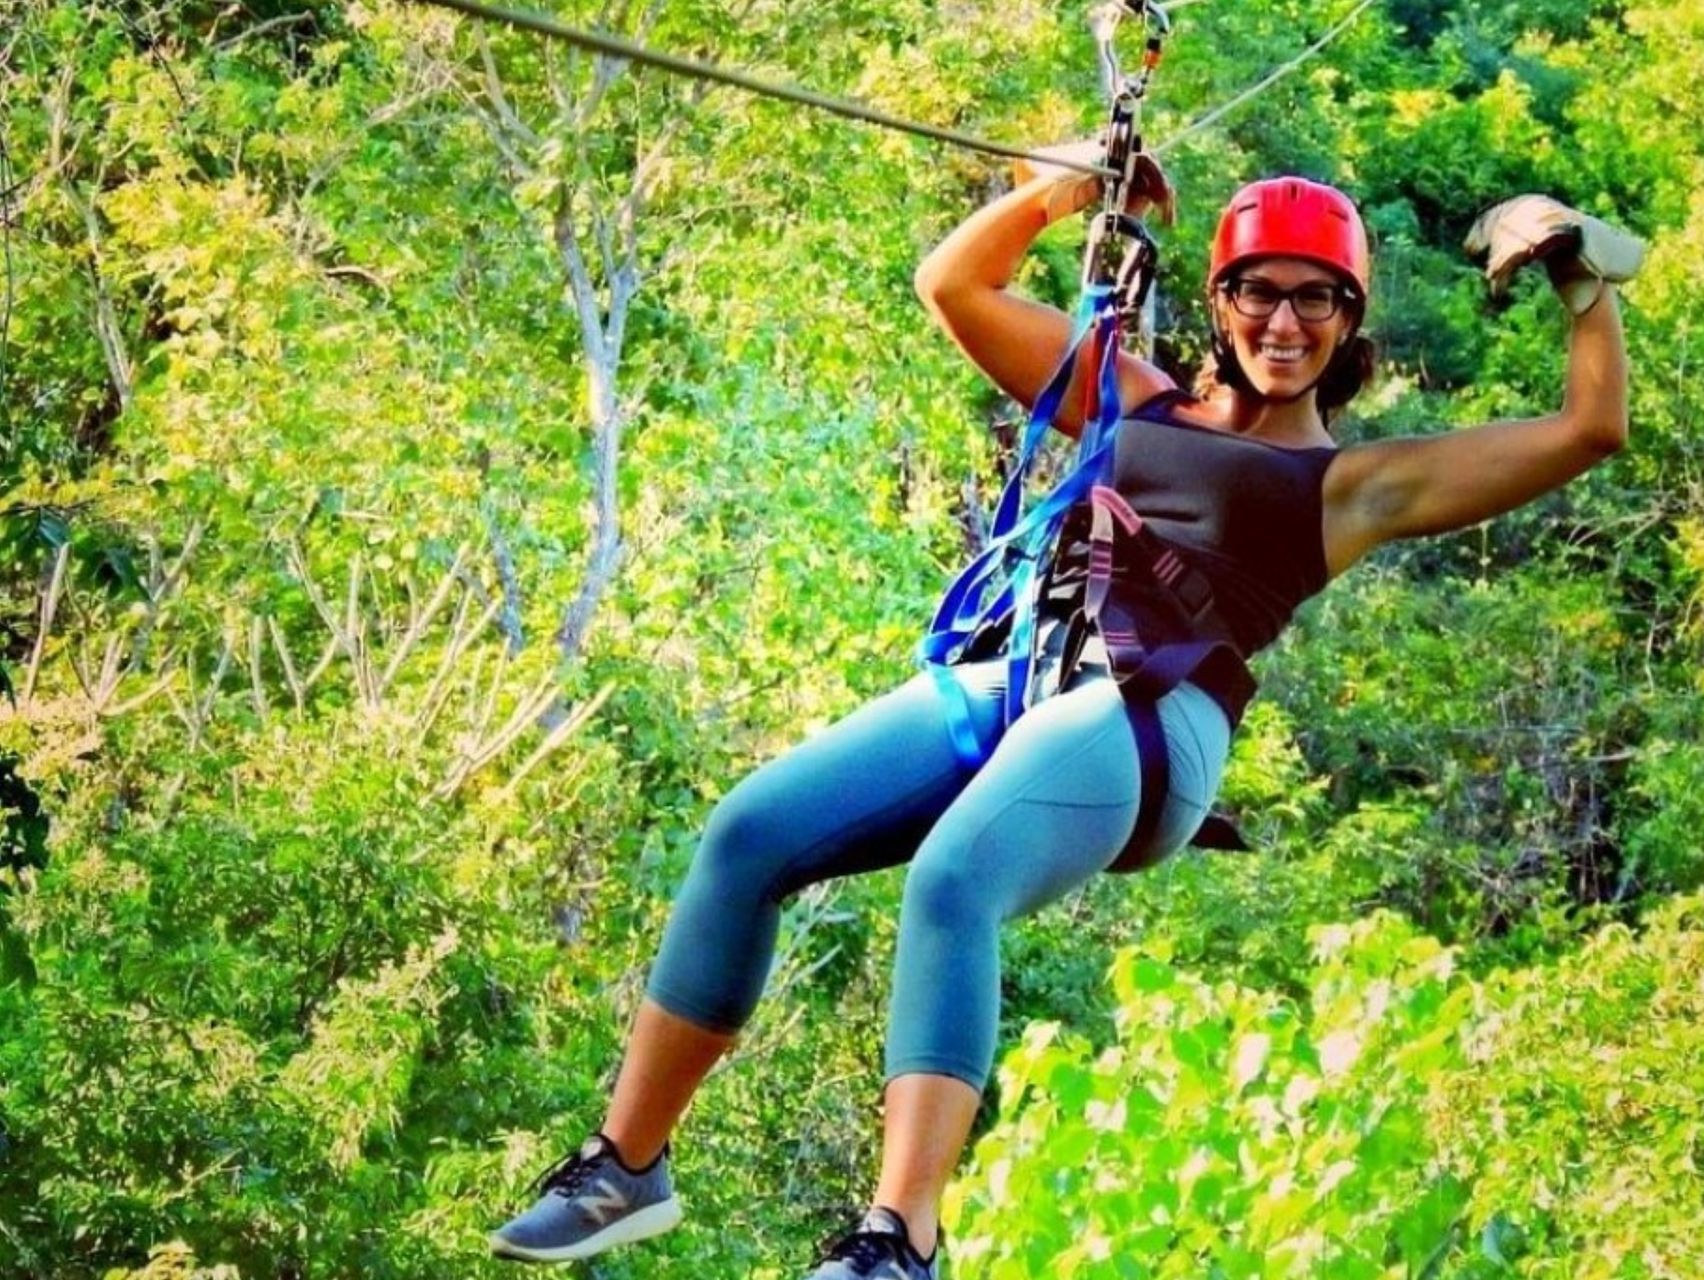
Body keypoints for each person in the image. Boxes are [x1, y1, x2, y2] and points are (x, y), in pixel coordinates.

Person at [486, 150, 1639, 1277]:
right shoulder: (1130, 392)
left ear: (1348, 322)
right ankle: (625, 1164)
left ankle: (902, 1238)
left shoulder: (1357, 483)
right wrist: (1066, 186)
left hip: (1154, 721)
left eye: (1316, 299)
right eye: (1258, 291)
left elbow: (1587, 429)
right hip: (1030, 676)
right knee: (748, 834)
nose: (1284, 322)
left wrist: (1579, 279)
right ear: (1219, 301)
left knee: (953, 878)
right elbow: (954, 287)